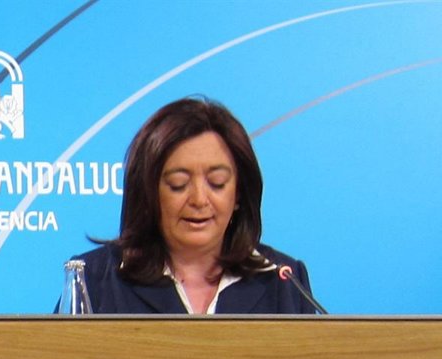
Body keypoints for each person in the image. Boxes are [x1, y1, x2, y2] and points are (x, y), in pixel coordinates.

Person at [67, 97, 319, 314]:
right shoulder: (94, 279)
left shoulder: (283, 279)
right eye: (178, 184)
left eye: (217, 183)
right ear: (149, 192)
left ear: (239, 194)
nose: (199, 199)